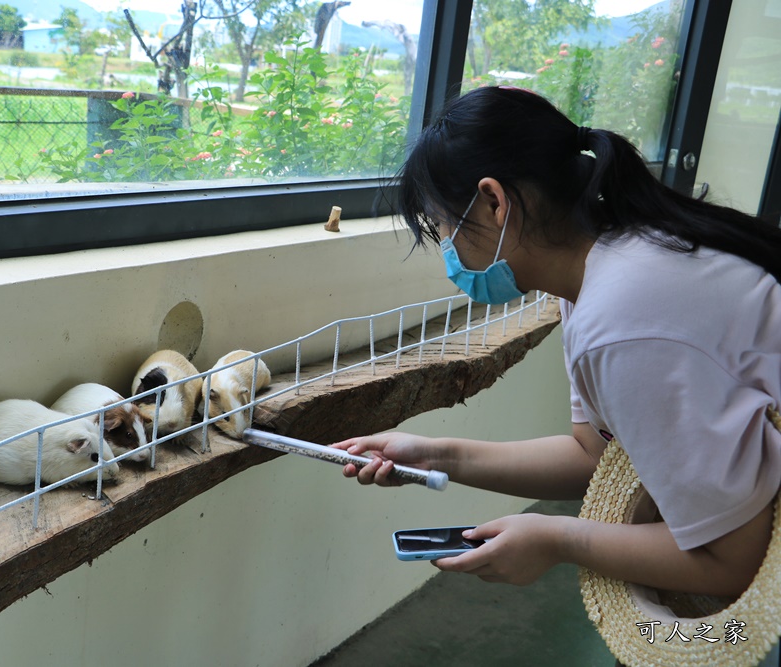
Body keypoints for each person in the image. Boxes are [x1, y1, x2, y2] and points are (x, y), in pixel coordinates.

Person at [332, 86, 781, 600]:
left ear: (494, 202)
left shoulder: (622, 320)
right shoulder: (608, 263)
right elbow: (592, 452)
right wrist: (436, 455)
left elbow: (732, 563)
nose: (450, 253)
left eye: (444, 227)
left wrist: (556, 539)